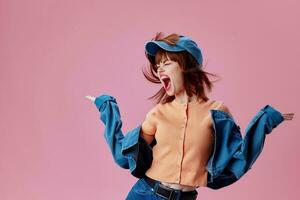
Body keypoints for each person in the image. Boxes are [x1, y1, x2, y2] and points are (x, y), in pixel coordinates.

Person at [85, 32, 294, 200]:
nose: (159, 69)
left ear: (186, 66)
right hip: (145, 194)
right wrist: (107, 107)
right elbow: (125, 156)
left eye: (166, 63)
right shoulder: (158, 113)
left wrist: (266, 120)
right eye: (157, 65)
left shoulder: (217, 113)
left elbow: (240, 157)